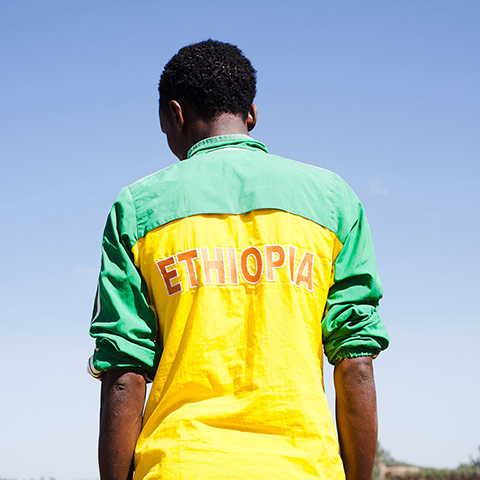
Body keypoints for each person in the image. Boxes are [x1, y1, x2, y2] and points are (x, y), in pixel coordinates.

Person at [88, 39, 389, 480]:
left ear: (174, 114)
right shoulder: (333, 202)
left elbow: (124, 374)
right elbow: (356, 363)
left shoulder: (137, 208)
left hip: (180, 466)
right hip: (304, 468)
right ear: (251, 113)